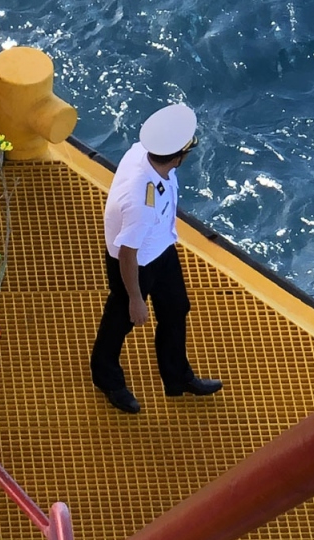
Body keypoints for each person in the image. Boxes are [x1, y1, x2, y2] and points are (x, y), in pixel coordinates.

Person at [89, 102, 223, 414]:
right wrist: (136, 299)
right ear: (178, 157)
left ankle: (178, 378)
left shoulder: (143, 152)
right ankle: (106, 377)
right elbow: (127, 253)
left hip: (161, 248)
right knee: (121, 320)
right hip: (135, 264)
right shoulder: (141, 203)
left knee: (176, 308)